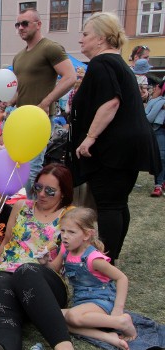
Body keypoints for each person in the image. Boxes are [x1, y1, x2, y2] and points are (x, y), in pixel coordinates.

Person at [70, 12, 161, 265]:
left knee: (109, 204)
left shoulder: (103, 63)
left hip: (113, 149)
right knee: (118, 203)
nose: (81, 41)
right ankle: (111, 258)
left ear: (100, 38)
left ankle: (104, 262)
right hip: (129, 146)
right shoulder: (118, 64)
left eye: (85, 34)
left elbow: (111, 102)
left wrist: (89, 138)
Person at [0, 163, 78, 350]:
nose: (41, 194)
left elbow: (72, 258)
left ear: (64, 192)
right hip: (8, 270)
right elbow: (6, 243)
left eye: (50, 191)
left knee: (26, 272)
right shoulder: (21, 207)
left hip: (45, 278)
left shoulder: (70, 215)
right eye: (38, 188)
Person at [47, 207, 136, 350]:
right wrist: (45, 262)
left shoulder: (93, 258)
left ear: (87, 235)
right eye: (62, 231)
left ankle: (121, 322)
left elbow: (121, 278)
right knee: (54, 317)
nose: (64, 236)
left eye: (71, 232)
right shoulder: (65, 249)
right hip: (82, 302)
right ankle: (108, 337)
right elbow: (53, 269)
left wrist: (118, 309)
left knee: (73, 316)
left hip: (102, 300)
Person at [12, 8, 76, 196]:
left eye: (25, 23)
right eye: (18, 24)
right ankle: (33, 206)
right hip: (21, 119)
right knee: (21, 168)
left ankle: (35, 210)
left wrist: (46, 102)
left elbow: (70, 77)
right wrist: (9, 101)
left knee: (32, 168)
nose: (20, 28)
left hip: (39, 118)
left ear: (38, 24)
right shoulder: (18, 56)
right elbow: (22, 87)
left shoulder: (50, 47)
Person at [145, 79, 165, 197]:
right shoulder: (157, 101)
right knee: (161, 157)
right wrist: (159, 106)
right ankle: (158, 185)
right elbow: (148, 118)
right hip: (160, 131)